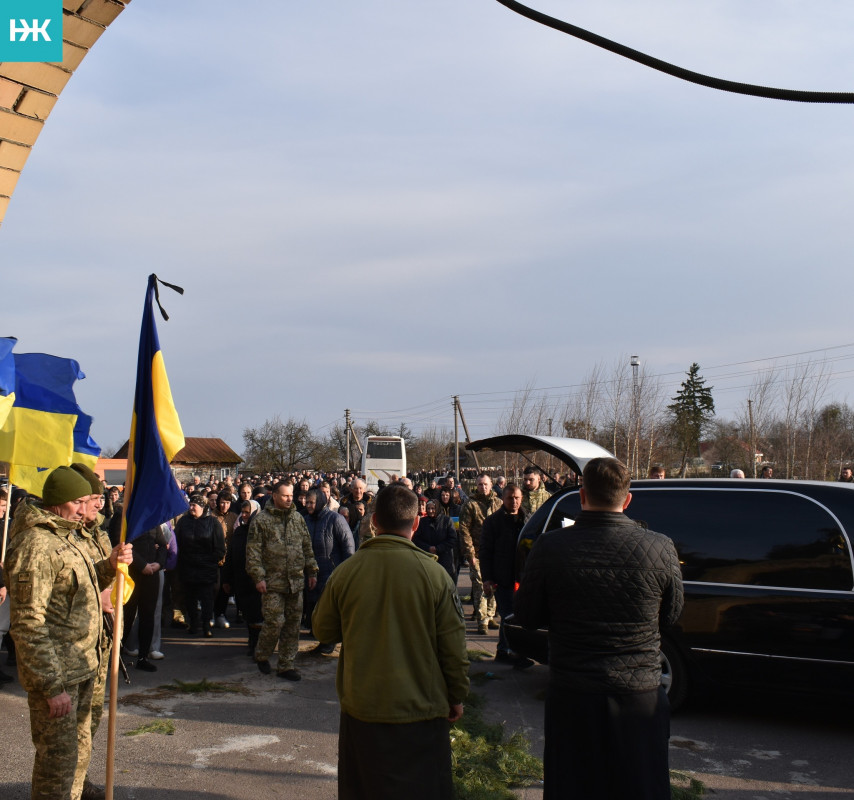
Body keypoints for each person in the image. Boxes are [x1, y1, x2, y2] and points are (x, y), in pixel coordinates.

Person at [513, 457, 684, 800]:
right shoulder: (660, 547)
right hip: (640, 695)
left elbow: (527, 617)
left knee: (574, 785)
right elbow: (671, 616)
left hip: (574, 694)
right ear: (627, 499)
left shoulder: (551, 547)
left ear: (582, 496)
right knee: (641, 786)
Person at [312, 484, 469, 800]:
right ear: (416, 523)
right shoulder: (435, 575)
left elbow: (322, 631)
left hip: (363, 710)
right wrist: (457, 695)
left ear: (374, 522)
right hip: (421, 712)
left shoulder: (347, 573)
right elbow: (453, 649)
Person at [4, 466, 132, 800]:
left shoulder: (65, 537)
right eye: (77, 502)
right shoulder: (36, 545)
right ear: (57, 501)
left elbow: (79, 591)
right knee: (56, 770)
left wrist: (109, 564)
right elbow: (29, 623)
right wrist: (50, 686)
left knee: (76, 759)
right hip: (59, 676)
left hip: (81, 665)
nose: (84, 509)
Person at [246, 482, 318, 680]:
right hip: (272, 583)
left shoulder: (297, 519)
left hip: (295, 581)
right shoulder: (261, 521)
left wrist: (312, 571)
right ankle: (262, 654)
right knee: (275, 622)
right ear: (275, 496)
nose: (289, 499)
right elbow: (253, 552)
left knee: (293, 625)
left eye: (291, 495)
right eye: (285, 495)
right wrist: (258, 577)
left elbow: (307, 547)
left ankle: (286, 665)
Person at [479, 482, 531, 667]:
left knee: (514, 615)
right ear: (503, 499)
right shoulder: (493, 522)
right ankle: (515, 652)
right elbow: (485, 552)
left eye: (517, 498)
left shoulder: (528, 520)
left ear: (522, 498)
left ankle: (502, 650)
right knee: (510, 615)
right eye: (510, 498)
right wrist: (487, 578)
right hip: (502, 577)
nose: (514, 501)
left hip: (522, 577)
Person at [303, 489, 355, 655]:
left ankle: (328, 642)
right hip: (311, 572)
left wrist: (347, 573)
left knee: (328, 609)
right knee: (313, 606)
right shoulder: (306, 520)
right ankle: (320, 636)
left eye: (311, 502)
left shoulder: (335, 519)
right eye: (307, 502)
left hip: (331, 570)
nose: (308, 505)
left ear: (319, 501)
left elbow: (348, 547)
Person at [174, 494, 225, 637]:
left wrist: (211, 561)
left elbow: (220, 547)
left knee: (207, 599)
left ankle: (206, 625)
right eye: (190, 505)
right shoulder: (183, 522)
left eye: (194, 506)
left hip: (206, 568)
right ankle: (193, 624)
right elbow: (176, 543)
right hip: (188, 566)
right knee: (190, 598)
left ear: (203, 507)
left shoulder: (213, 523)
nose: (191, 508)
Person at [458, 473, 503, 634]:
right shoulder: (470, 505)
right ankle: (481, 619)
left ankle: (490, 616)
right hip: (477, 553)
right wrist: (469, 554)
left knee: (494, 586)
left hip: (496, 553)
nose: (483, 487)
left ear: (491, 485)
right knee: (479, 586)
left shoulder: (498, 503)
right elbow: (464, 530)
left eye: (485, 484)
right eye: (480, 484)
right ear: (475, 486)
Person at [412, 500, 457, 579]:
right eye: (428, 508)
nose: (430, 511)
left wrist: (438, 548)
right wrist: (428, 548)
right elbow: (416, 539)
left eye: (433, 508)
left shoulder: (447, 521)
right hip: (427, 558)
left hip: (445, 559)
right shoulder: (422, 522)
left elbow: (452, 539)